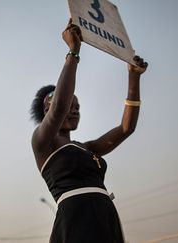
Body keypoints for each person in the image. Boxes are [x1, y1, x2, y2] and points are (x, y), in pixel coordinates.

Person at [30, 20, 148, 243]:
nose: (73, 110)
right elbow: (59, 108)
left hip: (105, 217)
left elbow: (126, 128)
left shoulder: (87, 149)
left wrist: (134, 77)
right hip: (76, 220)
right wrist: (73, 51)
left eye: (77, 107)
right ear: (47, 109)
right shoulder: (42, 142)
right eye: (68, 106)